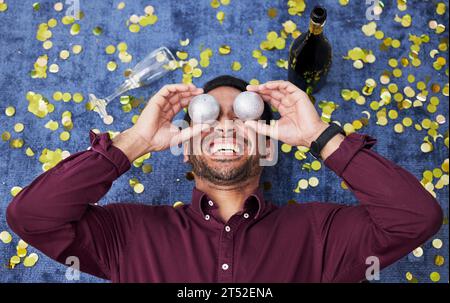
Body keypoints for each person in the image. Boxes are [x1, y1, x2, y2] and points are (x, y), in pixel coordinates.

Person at [6, 75, 443, 282]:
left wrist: (318, 136)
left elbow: (416, 218)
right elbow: (32, 217)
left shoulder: (321, 235)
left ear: (267, 146)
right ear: (185, 147)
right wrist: (136, 139)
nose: (226, 127)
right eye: (209, 118)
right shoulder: (129, 234)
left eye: (243, 117)